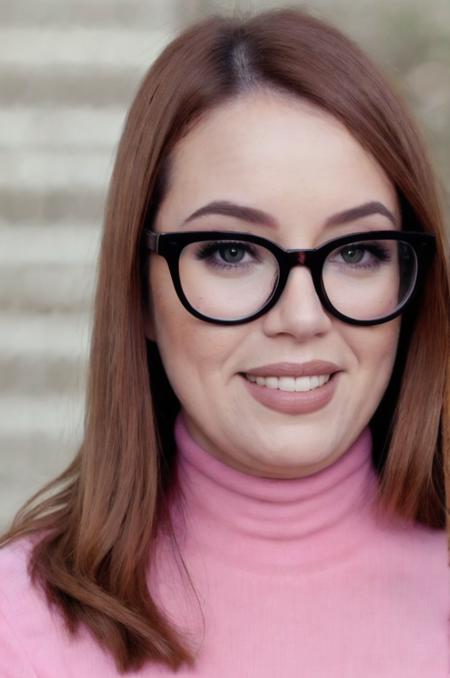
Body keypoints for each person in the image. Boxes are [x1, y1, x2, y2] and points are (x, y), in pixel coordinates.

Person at [0, 7, 448, 677]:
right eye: (233, 251)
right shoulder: (18, 627)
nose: (301, 317)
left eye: (357, 250)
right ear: (139, 292)